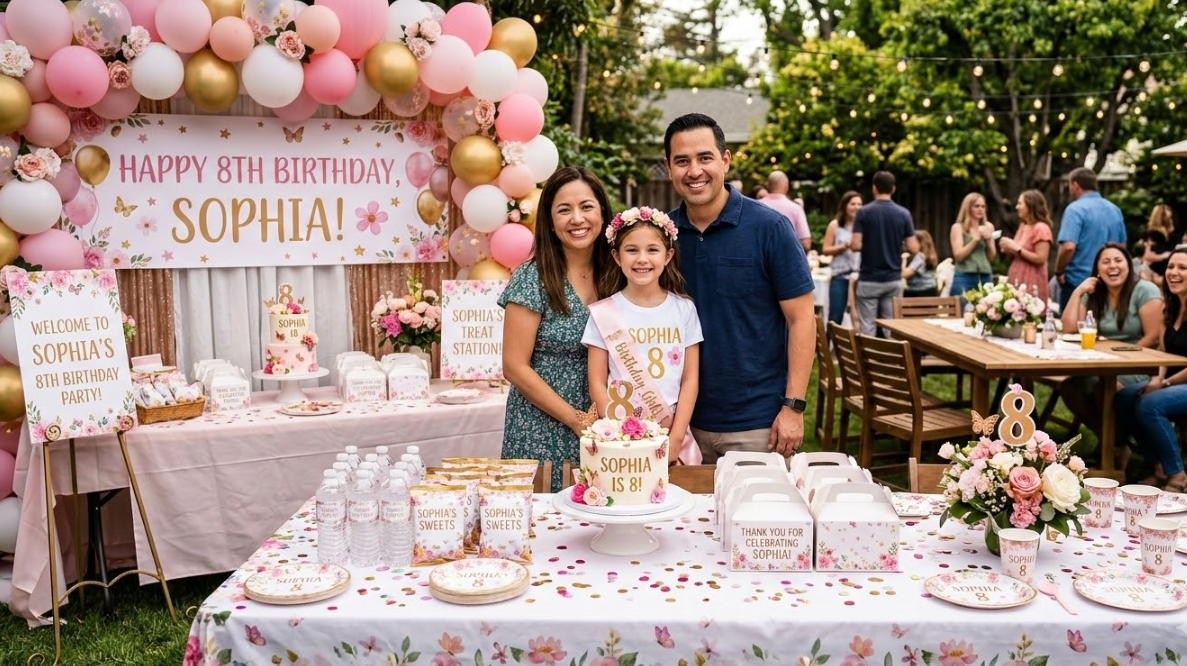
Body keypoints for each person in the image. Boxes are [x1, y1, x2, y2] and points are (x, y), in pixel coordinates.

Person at [663, 112, 815, 461]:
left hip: (757, 423)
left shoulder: (770, 228)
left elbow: (802, 319)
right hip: (676, 423)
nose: (694, 171)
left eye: (705, 158)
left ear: (725, 161)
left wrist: (793, 407)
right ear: (669, 168)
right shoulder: (660, 236)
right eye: (682, 161)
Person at [498, 166, 614, 490]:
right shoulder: (532, 277)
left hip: (606, 425)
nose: (577, 219)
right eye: (564, 210)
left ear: (602, 213)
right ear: (550, 221)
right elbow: (514, 366)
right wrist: (575, 419)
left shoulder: (619, 273)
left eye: (587, 206)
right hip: (541, 424)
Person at [583, 206, 702, 464]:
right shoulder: (604, 312)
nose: (642, 259)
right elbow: (596, 382)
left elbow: (690, 378)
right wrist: (618, 433)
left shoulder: (684, 309)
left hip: (671, 431)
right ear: (617, 256)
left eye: (652, 250)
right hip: (620, 438)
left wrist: (676, 437)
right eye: (632, 250)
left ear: (668, 256)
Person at [1059, 242, 1162, 443]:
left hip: (1140, 363)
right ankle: (1115, 442)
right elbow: (1069, 328)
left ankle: (1114, 446)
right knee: (1070, 388)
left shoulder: (1144, 290)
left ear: (1128, 265)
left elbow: (1154, 335)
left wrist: (1123, 356)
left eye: (1118, 260)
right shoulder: (1095, 293)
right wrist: (1078, 291)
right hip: (1103, 363)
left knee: (1105, 389)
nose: (1112, 266)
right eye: (1106, 262)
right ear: (1098, 269)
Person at [1114, 246, 1187, 492]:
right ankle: (1157, 466)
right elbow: (1163, 354)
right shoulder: (1170, 308)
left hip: (1180, 383)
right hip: (1171, 381)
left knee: (1150, 404)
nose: (1174, 272)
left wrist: (1164, 384)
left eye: (1183, 268)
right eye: (1171, 267)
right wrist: (1157, 379)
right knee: (1125, 397)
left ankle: (1177, 474)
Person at [851, 170, 918, 337]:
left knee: (867, 327)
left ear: (874, 188)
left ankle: (868, 355)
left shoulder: (863, 212)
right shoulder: (903, 214)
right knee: (891, 328)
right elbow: (914, 248)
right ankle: (892, 354)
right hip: (893, 279)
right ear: (893, 189)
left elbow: (854, 245)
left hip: (869, 278)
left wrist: (870, 244)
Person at [1055, 167, 1127, 314]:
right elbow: (1122, 247)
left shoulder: (1075, 209)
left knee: (1073, 326)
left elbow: (1068, 247)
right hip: (1108, 282)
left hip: (1078, 282)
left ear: (1075, 185)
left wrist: (1059, 271)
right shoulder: (1114, 209)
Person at [1000, 189, 1054, 304]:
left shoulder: (1041, 228)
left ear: (1030, 205)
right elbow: (1017, 251)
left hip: (1032, 280)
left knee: (1029, 311)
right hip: (1016, 277)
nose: (1017, 207)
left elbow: (1041, 258)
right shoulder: (1023, 226)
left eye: (1020, 203)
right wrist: (1007, 247)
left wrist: (1016, 248)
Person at [948, 193, 997, 309]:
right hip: (964, 275)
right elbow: (958, 256)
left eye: (983, 206)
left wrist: (989, 239)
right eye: (976, 206)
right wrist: (975, 240)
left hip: (985, 276)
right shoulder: (958, 227)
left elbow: (992, 257)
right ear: (968, 207)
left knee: (988, 312)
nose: (980, 209)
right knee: (961, 311)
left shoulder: (988, 226)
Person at [821, 191, 862, 324]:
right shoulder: (835, 225)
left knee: (860, 318)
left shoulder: (864, 225)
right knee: (835, 316)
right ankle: (830, 337)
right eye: (853, 204)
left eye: (859, 204)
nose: (856, 207)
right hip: (840, 275)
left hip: (860, 277)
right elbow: (825, 250)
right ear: (845, 206)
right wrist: (841, 247)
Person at [759, 170, 812, 252]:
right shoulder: (795, 208)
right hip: (786, 257)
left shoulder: (756, 206)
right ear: (786, 186)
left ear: (767, 186)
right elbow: (806, 244)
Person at [1140, 203, 1175, 285]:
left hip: (1162, 273)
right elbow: (1146, 256)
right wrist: (1164, 256)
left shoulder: (1169, 235)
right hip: (1152, 273)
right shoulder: (1153, 234)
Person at [902, 230, 938, 298]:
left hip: (922, 292)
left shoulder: (920, 257)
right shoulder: (922, 256)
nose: (905, 243)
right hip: (928, 289)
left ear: (921, 243)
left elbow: (904, 274)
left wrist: (903, 259)